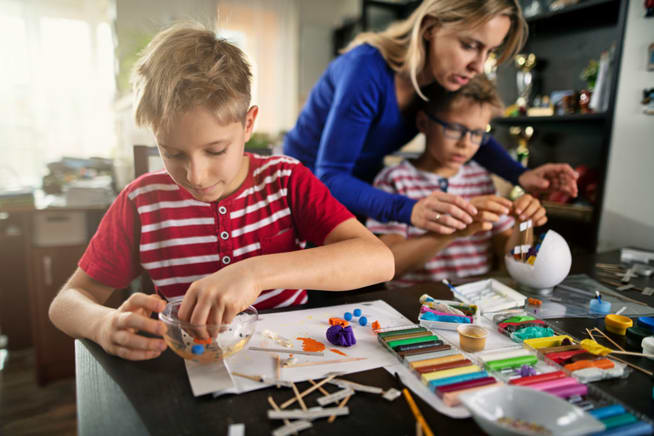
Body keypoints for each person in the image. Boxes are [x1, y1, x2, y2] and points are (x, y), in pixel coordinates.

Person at [48, 23, 394, 361]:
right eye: (172, 153)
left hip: (290, 361)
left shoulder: (286, 180)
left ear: (248, 124)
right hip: (193, 368)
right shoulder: (142, 203)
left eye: (215, 151)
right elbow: (67, 302)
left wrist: (254, 272)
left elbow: (379, 261)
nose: (196, 176)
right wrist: (102, 323)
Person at [283, 0, 575, 236]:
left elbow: (471, 135)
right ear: (431, 28)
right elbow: (330, 176)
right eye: (470, 45)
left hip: (357, 189)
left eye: (490, 51)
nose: (478, 66)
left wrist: (521, 175)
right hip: (298, 192)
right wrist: (410, 210)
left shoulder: (442, 78)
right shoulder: (366, 70)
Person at [367, 75, 546, 286]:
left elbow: (515, 260)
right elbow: (390, 264)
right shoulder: (394, 180)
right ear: (423, 123)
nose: (466, 144)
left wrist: (524, 224)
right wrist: (453, 231)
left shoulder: (481, 179)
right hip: (415, 305)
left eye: (477, 133)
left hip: (476, 302)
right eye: (454, 129)